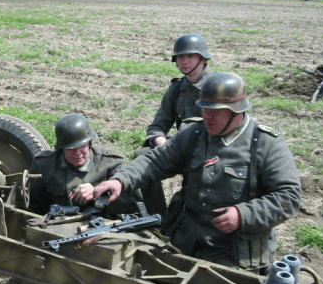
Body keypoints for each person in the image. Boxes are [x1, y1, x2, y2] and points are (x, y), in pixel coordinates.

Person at [94, 72, 301, 271]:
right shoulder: (194, 133)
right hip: (185, 236)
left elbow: (288, 197)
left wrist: (243, 214)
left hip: (232, 247)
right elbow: (156, 161)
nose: (207, 117)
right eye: (204, 109)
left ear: (236, 111)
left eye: (216, 111)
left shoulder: (266, 144)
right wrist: (121, 180)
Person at [29, 113, 141, 284]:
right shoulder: (44, 165)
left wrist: (98, 192)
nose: (79, 153)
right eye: (71, 149)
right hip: (59, 233)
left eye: (84, 147)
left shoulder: (109, 164)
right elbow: (34, 206)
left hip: (100, 232)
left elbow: (127, 201)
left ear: (91, 142)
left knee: (100, 267)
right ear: (61, 148)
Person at [140, 34, 214, 215]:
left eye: (190, 56)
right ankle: (157, 217)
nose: (185, 62)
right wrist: (162, 144)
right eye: (180, 57)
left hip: (212, 152)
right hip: (182, 148)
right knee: (143, 156)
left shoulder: (217, 86)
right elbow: (158, 125)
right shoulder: (176, 89)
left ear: (203, 58)